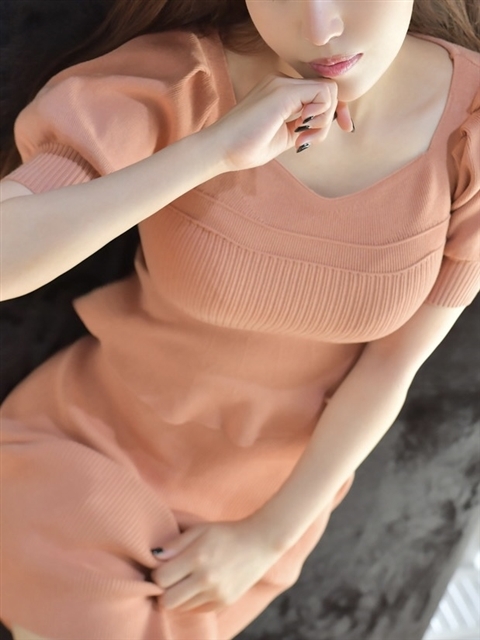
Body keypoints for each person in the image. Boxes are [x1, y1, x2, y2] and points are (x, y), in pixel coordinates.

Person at [1, 0, 479, 638]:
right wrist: (213, 151)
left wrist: (267, 536)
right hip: (88, 455)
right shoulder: (180, 82)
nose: (320, 30)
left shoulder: (471, 126)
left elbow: (394, 365)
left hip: (269, 509)